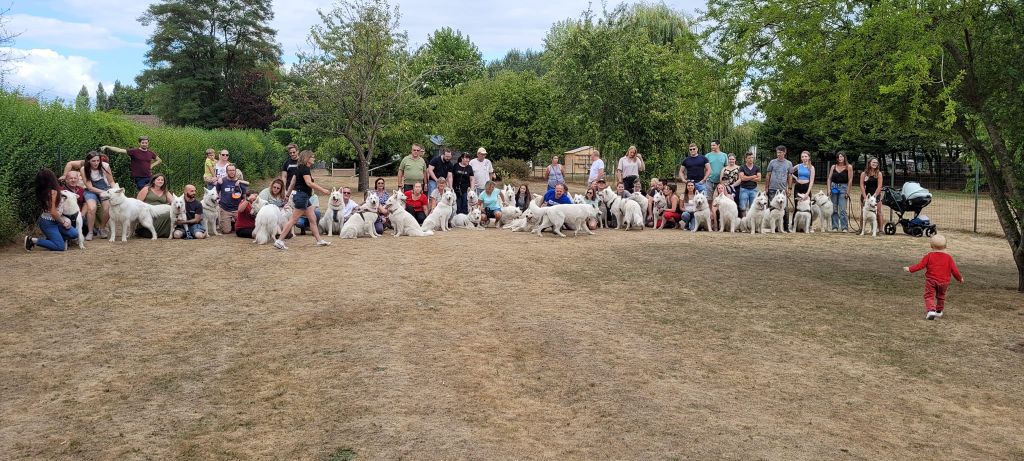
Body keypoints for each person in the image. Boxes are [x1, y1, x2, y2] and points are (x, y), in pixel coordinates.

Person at [903, 234, 964, 320]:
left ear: (931, 246)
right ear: (946, 246)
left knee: (929, 296)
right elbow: (954, 270)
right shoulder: (949, 258)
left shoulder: (929, 256)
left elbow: (920, 265)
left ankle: (931, 310)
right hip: (944, 282)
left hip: (931, 280)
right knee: (941, 296)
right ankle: (939, 311)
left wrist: (910, 269)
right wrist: (959, 278)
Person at [280, 150, 331, 246]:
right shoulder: (305, 169)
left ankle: (319, 240)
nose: (314, 158)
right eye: (312, 157)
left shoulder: (299, 168)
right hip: (302, 197)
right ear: (307, 158)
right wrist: (323, 190)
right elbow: (309, 183)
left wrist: (287, 196)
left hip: (303, 196)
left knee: (312, 218)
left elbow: (292, 184)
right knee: (293, 220)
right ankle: (280, 240)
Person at [25, 169, 79, 251]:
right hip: (49, 222)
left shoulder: (42, 191)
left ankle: (55, 239)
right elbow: (53, 212)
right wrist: (63, 222)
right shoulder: (52, 192)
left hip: (55, 220)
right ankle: (32, 240)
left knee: (74, 234)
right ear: (51, 179)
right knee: (60, 247)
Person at [81, 150, 114, 240]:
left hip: (105, 189)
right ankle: (90, 231)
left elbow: (111, 181)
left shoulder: (105, 166)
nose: (96, 163)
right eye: (93, 161)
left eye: (97, 161)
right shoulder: (84, 169)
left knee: (108, 209)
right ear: (88, 161)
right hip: (90, 190)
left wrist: (115, 190)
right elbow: (90, 187)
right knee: (92, 208)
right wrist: (103, 192)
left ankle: (102, 228)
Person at [135, 173, 175, 238]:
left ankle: (165, 232)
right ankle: (147, 230)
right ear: (153, 181)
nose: (160, 181)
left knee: (171, 213)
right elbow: (137, 203)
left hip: (160, 211)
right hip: (147, 211)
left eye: (162, 180)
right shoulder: (146, 189)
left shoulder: (165, 191)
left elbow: (174, 202)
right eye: (158, 179)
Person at [215, 164, 249, 234]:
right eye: (230, 170)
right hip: (225, 209)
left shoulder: (240, 182)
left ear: (235, 171)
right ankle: (229, 222)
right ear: (226, 171)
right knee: (226, 231)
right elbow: (217, 192)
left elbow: (244, 196)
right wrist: (218, 202)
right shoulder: (222, 181)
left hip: (237, 209)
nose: (232, 172)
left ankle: (233, 222)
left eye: (233, 170)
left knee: (240, 229)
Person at [764, 145, 793, 228]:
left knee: (785, 208)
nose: (778, 154)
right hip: (772, 189)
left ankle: (786, 227)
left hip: (783, 190)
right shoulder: (772, 162)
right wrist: (766, 187)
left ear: (784, 152)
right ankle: (772, 226)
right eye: (777, 152)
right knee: (772, 208)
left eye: (780, 152)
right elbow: (768, 175)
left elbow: (790, 176)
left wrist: (790, 188)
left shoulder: (789, 163)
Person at [827, 151, 854, 232]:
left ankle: (844, 227)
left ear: (844, 157)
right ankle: (835, 226)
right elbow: (829, 178)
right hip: (834, 187)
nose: (840, 158)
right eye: (838, 157)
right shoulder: (833, 167)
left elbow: (850, 180)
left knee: (842, 209)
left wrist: (848, 192)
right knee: (834, 208)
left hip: (843, 188)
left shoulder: (848, 167)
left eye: (841, 156)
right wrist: (828, 189)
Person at [861, 156, 885, 232]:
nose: (875, 164)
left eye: (876, 163)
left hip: (876, 195)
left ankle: (880, 229)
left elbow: (880, 186)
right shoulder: (864, 174)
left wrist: (874, 196)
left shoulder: (879, 174)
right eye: (873, 162)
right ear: (869, 163)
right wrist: (865, 197)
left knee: (878, 212)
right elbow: (861, 185)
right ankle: (861, 229)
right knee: (863, 211)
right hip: (866, 195)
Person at [737, 152, 761, 217]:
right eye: (749, 158)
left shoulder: (757, 167)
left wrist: (747, 177)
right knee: (742, 208)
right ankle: (744, 222)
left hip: (753, 189)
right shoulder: (742, 167)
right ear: (746, 159)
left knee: (752, 207)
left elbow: (759, 179)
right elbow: (742, 178)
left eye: (752, 158)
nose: (751, 159)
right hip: (744, 189)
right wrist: (753, 176)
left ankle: (750, 222)